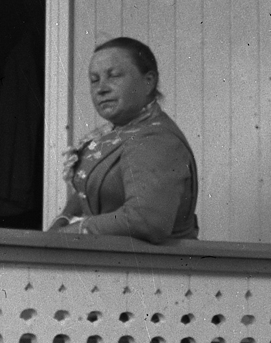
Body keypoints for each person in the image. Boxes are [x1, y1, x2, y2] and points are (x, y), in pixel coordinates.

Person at [48, 36, 200, 244]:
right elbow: (90, 190)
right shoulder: (120, 131)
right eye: (94, 80)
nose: (101, 88)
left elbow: (146, 220)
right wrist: (62, 221)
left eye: (114, 76)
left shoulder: (156, 139)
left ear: (148, 81)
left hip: (152, 263)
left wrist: (74, 230)